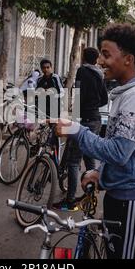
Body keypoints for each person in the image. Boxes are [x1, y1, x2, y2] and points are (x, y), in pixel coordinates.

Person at [54, 23, 135, 259]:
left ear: (128, 59)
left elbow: (118, 152)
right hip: (124, 196)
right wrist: (101, 176)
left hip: (134, 199)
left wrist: (76, 130)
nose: (100, 61)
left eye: (106, 55)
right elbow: (127, 152)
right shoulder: (127, 93)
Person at [53, 47, 108, 211]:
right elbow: (104, 98)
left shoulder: (82, 71)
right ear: (96, 59)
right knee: (89, 158)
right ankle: (90, 195)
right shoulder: (99, 74)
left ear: (83, 57)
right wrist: (92, 106)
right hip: (96, 119)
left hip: (84, 120)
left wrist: (74, 120)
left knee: (73, 161)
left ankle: (69, 201)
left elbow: (77, 96)